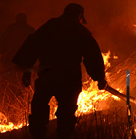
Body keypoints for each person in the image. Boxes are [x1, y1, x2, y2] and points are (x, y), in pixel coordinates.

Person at [12, 3, 108, 139]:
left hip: (48, 74)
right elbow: (92, 56)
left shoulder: (50, 26)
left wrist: (26, 71)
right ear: (79, 16)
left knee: (39, 106)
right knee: (66, 113)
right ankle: (63, 135)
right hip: (70, 78)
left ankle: (39, 135)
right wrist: (99, 78)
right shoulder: (80, 31)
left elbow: (33, 45)